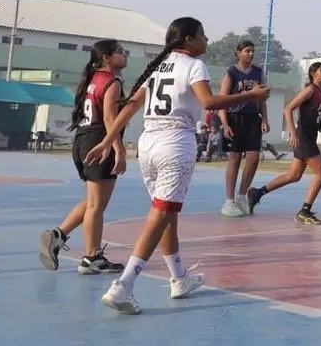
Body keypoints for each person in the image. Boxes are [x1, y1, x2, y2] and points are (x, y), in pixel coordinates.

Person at [83, 17, 270, 315]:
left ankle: (179, 278)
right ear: (188, 40)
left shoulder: (158, 65)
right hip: (175, 142)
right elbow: (208, 102)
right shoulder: (194, 65)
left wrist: (108, 140)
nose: (207, 40)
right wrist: (252, 95)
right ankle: (124, 285)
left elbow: (131, 105)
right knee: (160, 214)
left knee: (166, 213)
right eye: (203, 35)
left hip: (148, 143)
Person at [39, 39, 130, 274]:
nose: (124, 54)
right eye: (120, 52)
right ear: (107, 58)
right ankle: (92, 257)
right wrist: (118, 149)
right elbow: (110, 119)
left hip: (83, 139)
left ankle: (57, 235)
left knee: (93, 203)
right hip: (99, 139)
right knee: (97, 205)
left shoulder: (92, 79)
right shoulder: (112, 81)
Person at [247, 61, 321, 223]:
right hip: (303, 139)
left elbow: (314, 117)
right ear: (313, 74)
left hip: (310, 137)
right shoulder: (309, 90)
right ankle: (304, 210)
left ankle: (257, 193)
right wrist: (292, 133)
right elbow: (288, 109)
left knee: (294, 175)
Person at [219, 40, 269, 217]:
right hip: (234, 118)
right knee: (235, 158)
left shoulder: (258, 72)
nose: (251, 54)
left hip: (252, 118)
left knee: (254, 158)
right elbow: (222, 101)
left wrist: (265, 119)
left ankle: (242, 196)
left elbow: (262, 99)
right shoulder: (231, 73)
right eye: (247, 50)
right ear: (238, 53)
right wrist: (225, 124)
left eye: (252, 51)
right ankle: (229, 201)